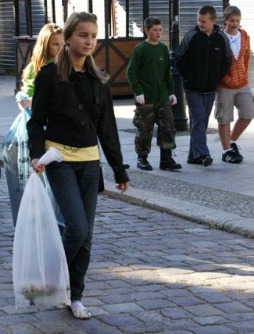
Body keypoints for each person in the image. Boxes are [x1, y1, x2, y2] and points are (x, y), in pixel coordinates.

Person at [28, 12, 129, 320]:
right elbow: (37, 122)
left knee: (87, 235)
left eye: (93, 36)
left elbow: (107, 130)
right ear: (69, 38)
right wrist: (36, 154)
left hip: (89, 164)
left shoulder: (98, 81)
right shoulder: (49, 76)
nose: (89, 41)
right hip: (59, 162)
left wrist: (119, 169)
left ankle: (76, 295)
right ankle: (51, 276)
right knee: (77, 227)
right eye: (83, 35)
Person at [7, 22, 63, 225]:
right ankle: (40, 212)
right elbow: (25, 91)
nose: (59, 48)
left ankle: (56, 214)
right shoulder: (35, 68)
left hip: (56, 126)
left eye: (61, 43)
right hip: (36, 126)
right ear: (45, 45)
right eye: (55, 44)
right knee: (37, 168)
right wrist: (24, 100)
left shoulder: (65, 66)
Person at [176, 5, 231, 167]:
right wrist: (189, 77)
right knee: (199, 118)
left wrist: (216, 77)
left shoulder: (221, 39)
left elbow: (227, 60)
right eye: (199, 20)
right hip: (192, 88)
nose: (200, 23)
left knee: (201, 121)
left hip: (210, 88)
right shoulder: (191, 36)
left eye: (204, 21)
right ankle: (203, 154)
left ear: (213, 21)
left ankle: (193, 155)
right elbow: (179, 58)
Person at [126, 17, 181, 171]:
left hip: (162, 97)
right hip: (146, 98)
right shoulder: (140, 49)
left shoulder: (163, 48)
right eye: (154, 30)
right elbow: (131, 72)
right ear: (147, 31)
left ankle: (166, 159)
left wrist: (171, 92)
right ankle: (142, 158)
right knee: (145, 129)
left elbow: (166, 73)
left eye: (160, 30)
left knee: (168, 127)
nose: (158, 33)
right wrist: (138, 91)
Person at [214, 6, 253, 164]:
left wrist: (244, 75)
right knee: (224, 118)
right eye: (232, 21)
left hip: (242, 82)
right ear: (225, 20)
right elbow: (215, 63)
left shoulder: (244, 35)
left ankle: (232, 141)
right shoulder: (219, 37)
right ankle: (226, 150)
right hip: (224, 84)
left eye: (237, 20)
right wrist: (225, 78)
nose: (235, 23)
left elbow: (246, 56)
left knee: (248, 113)